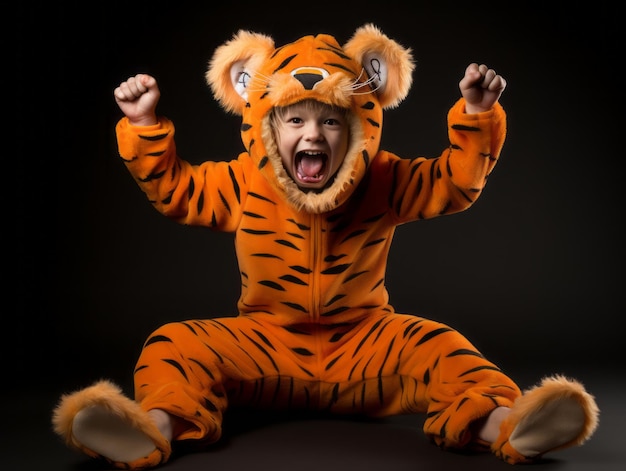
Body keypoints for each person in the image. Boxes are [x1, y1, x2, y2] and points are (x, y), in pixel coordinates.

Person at [52, 24, 599, 469]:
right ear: (266, 126)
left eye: (331, 121)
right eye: (295, 119)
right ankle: (154, 429)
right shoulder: (247, 181)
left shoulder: (384, 178)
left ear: (360, 127)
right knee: (173, 345)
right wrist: (145, 124)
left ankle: (509, 426)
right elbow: (177, 191)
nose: (312, 136)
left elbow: (454, 184)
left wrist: (477, 116)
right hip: (264, 347)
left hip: (369, 346)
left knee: (442, 346)